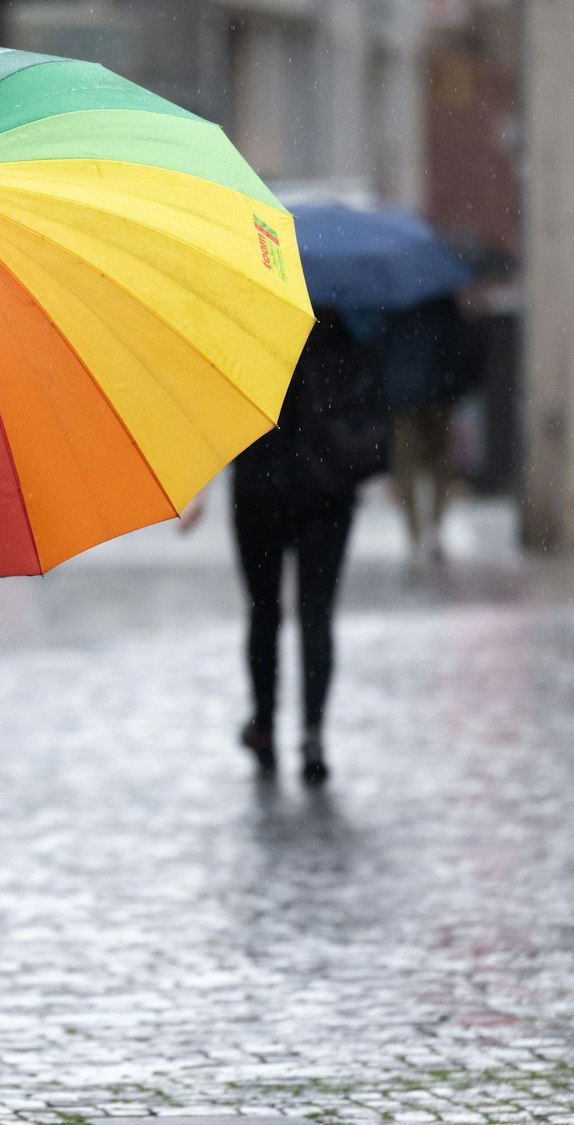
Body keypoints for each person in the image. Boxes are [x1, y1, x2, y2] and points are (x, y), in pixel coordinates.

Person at [183, 311, 387, 785]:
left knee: (264, 612)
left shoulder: (250, 333)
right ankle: (313, 734)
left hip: (261, 492)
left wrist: (202, 482)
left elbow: (223, 412)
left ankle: (266, 726)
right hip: (327, 494)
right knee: (316, 613)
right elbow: (369, 417)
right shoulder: (344, 339)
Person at [380, 296, 475, 568]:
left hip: (407, 392)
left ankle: (417, 531)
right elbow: (458, 340)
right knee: (436, 461)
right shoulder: (441, 297)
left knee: (409, 463)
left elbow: (379, 339)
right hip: (435, 388)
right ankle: (431, 527)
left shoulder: (394, 299)